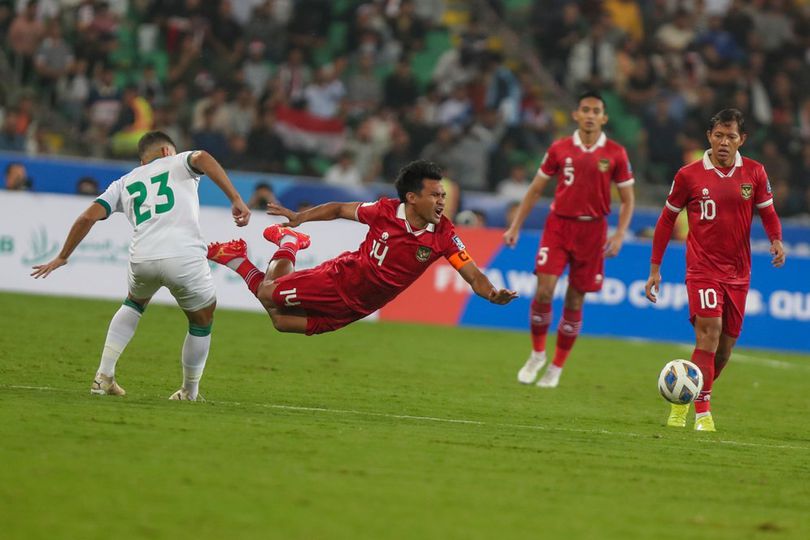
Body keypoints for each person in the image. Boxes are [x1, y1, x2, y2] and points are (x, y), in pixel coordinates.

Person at [30, 131, 251, 401]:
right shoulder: (179, 162)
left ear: (142, 160)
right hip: (183, 255)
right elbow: (203, 157)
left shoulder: (124, 182)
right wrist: (236, 199)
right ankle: (189, 391)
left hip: (142, 258)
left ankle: (104, 376)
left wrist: (63, 255)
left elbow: (88, 216)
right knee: (201, 319)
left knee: (134, 303)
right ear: (167, 152)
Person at [207, 160, 517, 336]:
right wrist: (300, 218)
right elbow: (340, 209)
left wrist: (491, 293)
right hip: (338, 280)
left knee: (281, 321)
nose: (442, 201)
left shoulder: (444, 235)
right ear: (412, 198)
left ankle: (269, 251)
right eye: (435, 195)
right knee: (268, 295)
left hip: (360, 306)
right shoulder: (383, 211)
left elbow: (473, 274)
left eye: (442, 196)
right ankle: (281, 245)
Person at [645, 109, 785, 432]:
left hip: (739, 273)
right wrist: (655, 268)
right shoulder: (689, 175)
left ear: (742, 140)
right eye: (719, 135)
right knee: (709, 331)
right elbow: (666, 220)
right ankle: (703, 414)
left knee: (724, 350)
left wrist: (776, 239)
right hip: (702, 268)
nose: (724, 143)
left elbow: (768, 212)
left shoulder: (755, 172)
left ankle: (686, 398)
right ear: (709, 136)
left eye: (731, 137)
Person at [504, 91, 635, 388]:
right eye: (585, 110)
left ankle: (556, 366)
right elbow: (536, 189)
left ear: (604, 117)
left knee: (576, 299)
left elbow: (628, 200)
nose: (590, 115)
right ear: (576, 115)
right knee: (544, 291)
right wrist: (515, 226)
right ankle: (537, 354)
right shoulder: (559, 149)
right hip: (559, 226)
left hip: (593, 231)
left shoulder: (615, 153)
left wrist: (619, 233)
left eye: (596, 111)